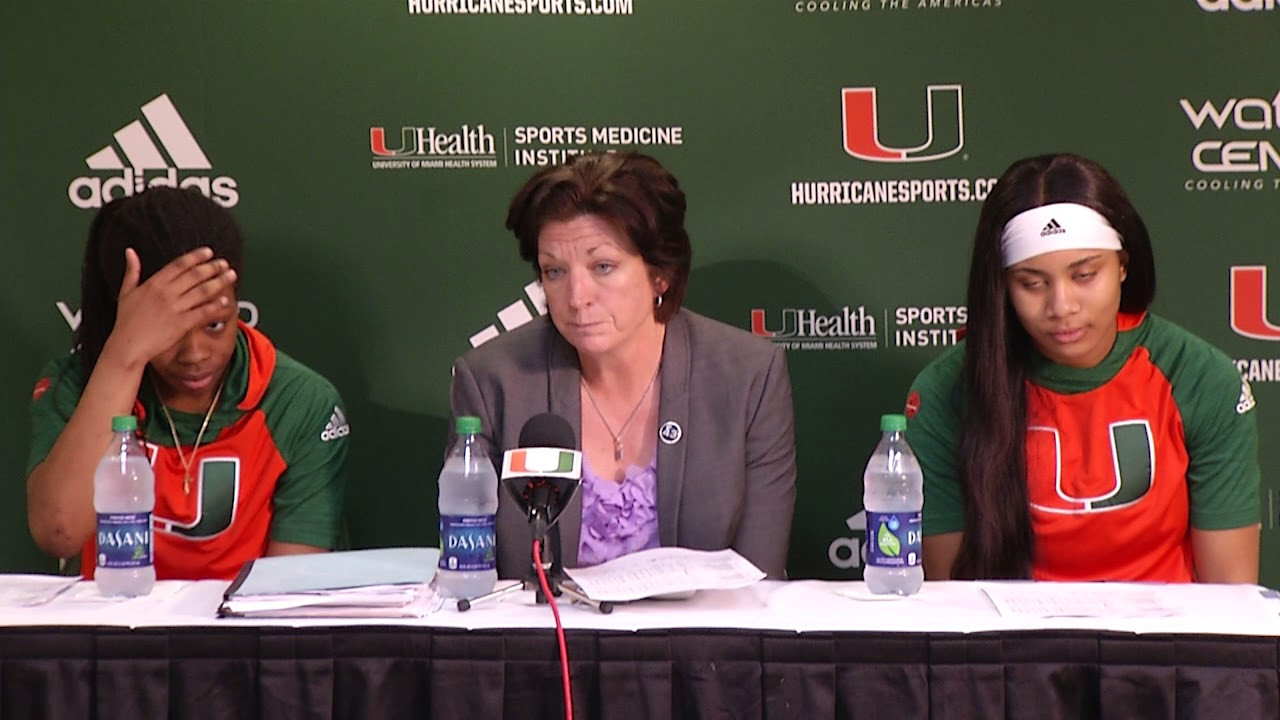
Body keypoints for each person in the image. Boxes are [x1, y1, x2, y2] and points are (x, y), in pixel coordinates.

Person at [904, 153, 1260, 583]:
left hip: (1165, 645)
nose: (1062, 307)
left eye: (1085, 275)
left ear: (1123, 265)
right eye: (1032, 283)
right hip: (1012, 646)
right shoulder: (948, 390)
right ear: (1001, 288)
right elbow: (950, 599)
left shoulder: (1201, 378)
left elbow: (1231, 597)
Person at [450, 151, 797, 579]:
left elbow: (760, 583)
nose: (577, 297)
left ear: (660, 274)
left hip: (703, 643)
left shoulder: (749, 377)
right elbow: (472, 575)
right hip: (544, 643)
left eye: (603, 267)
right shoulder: (491, 382)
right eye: (554, 272)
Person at [27, 187, 349, 581]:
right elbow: (59, 532)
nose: (195, 354)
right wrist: (124, 354)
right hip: (115, 630)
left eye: (215, 324)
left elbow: (287, 592)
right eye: (169, 331)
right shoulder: (78, 384)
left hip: (245, 635)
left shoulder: (298, 400)